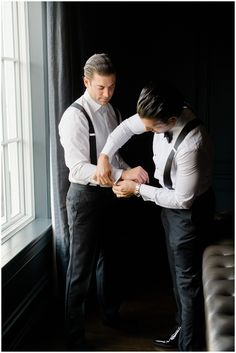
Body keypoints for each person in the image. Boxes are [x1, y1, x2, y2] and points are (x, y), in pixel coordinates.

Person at [95, 80, 215, 351]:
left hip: (189, 214)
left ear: (171, 120)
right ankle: (182, 329)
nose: (145, 129)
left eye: (150, 128)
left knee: (187, 282)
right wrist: (105, 155)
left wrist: (137, 189)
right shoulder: (158, 112)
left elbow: (183, 200)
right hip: (168, 203)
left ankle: (191, 346)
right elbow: (127, 127)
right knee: (176, 275)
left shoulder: (192, 144)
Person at [58, 53, 149, 350]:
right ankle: (73, 336)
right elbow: (79, 168)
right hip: (84, 197)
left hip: (110, 195)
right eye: (100, 88)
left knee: (111, 260)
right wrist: (125, 173)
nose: (107, 94)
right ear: (87, 82)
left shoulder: (112, 112)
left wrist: (127, 173)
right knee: (80, 269)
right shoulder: (75, 116)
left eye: (111, 87)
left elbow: (115, 155)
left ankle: (110, 315)